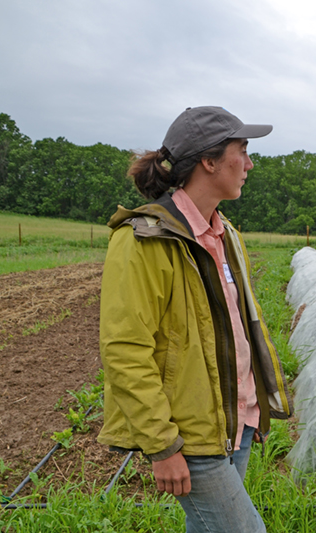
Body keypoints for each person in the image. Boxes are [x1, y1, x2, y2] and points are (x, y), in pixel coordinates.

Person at [97, 106, 292, 533]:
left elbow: (240, 330)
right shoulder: (143, 241)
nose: (249, 163)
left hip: (234, 422)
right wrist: (162, 444)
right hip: (189, 436)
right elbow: (125, 350)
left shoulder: (226, 235)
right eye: (242, 150)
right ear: (209, 160)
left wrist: (254, 405)